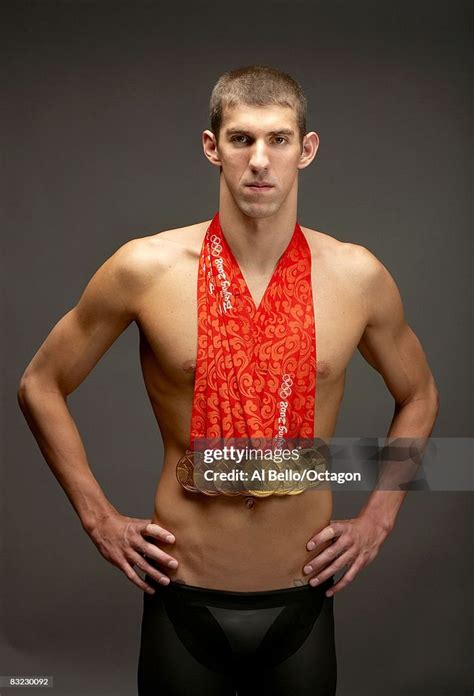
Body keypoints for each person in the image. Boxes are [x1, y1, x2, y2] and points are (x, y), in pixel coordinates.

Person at [17, 65, 439, 695]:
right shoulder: (145, 268)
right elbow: (39, 384)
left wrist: (378, 518)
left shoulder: (357, 277)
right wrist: (98, 518)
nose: (261, 161)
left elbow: (421, 395)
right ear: (212, 147)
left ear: (308, 149)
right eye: (242, 139)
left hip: (303, 595)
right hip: (183, 594)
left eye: (279, 139)